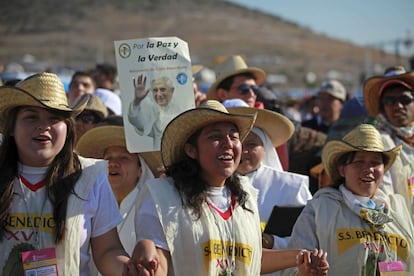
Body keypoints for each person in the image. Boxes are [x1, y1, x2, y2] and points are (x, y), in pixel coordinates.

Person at [133, 100, 328, 275]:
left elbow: (248, 259)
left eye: (234, 137)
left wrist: (302, 258)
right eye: (214, 137)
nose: (227, 144)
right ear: (191, 150)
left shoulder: (246, 196)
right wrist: (149, 261)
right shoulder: (162, 196)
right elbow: (159, 261)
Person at [0, 72, 144, 275]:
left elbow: (107, 250)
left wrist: (130, 270)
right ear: (12, 127)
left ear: (68, 128)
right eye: (31, 117)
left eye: (54, 118)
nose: (43, 126)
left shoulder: (91, 177)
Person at [283, 124, 414, 275]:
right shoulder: (320, 209)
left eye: (375, 162)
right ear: (342, 169)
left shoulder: (398, 208)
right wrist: (306, 271)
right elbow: (292, 268)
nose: (369, 169)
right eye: (359, 162)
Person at [75, 124, 158, 275]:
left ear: (140, 169)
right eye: (108, 159)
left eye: (123, 158)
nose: (113, 164)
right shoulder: (87, 204)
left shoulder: (152, 208)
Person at [229, 106, 312, 253]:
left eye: (251, 144)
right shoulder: (211, 183)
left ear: (265, 148)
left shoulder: (291, 186)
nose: (243, 150)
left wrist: (270, 241)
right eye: (237, 142)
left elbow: (309, 239)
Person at [363, 65, 414, 219]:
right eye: (390, 101)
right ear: (383, 107)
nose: (398, 106)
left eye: (405, 99)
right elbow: (381, 194)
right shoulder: (377, 142)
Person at [128, 75, 180, 150]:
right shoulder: (153, 111)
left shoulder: (181, 109)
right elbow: (139, 123)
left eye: (162, 90)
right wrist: (136, 102)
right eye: (155, 90)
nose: (158, 94)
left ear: (171, 90)